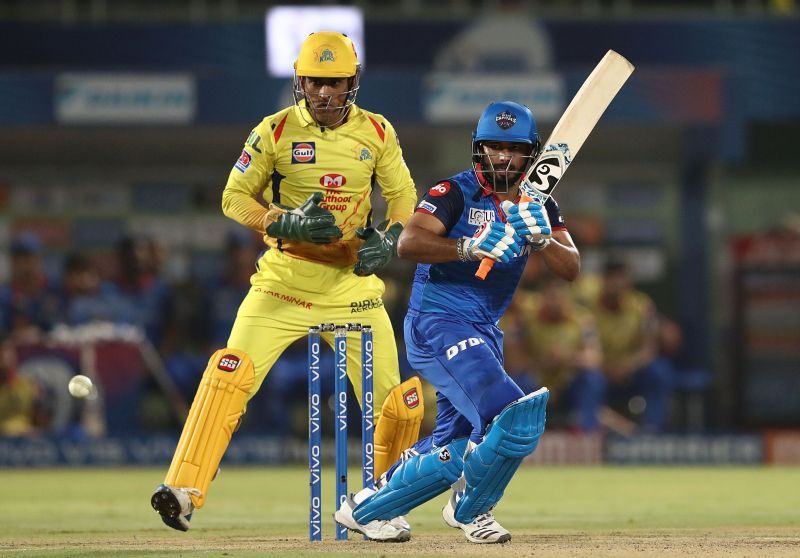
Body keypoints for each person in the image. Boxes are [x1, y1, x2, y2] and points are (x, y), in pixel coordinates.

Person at [151, 31, 424, 532]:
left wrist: (390, 238)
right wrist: (282, 222)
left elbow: (404, 195)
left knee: (397, 402)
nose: (324, 93)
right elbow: (234, 198)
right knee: (229, 375)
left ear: (352, 82)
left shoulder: (378, 133)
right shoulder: (273, 131)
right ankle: (183, 491)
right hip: (281, 285)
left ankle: (384, 507)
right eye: (315, 82)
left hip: (352, 288)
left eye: (335, 82)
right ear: (300, 81)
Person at [334, 101, 580, 543]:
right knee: (513, 413)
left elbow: (571, 268)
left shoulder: (540, 203)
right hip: (436, 321)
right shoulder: (454, 191)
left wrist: (542, 239)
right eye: (493, 148)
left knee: (456, 445)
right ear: (478, 150)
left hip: (483, 330)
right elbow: (409, 242)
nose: (502, 158)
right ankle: (472, 510)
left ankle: (366, 509)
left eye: (513, 149)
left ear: (531, 154)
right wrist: (470, 248)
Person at [503, 273, 605, 431]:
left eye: (560, 296)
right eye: (550, 296)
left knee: (592, 379)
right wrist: (543, 362)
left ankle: (587, 433)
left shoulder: (583, 320)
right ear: (542, 296)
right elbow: (514, 363)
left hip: (568, 383)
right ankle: (521, 434)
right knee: (517, 381)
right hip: (536, 383)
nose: (555, 302)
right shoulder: (524, 320)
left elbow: (594, 359)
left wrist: (566, 357)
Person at [590, 259, 672, 432]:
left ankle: (652, 431)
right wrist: (606, 367)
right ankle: (590, 433)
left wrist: (628, 366)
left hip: (631, 371)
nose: (617, 284)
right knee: (589, 380)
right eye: (612, 278)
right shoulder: (590, 308)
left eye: (622, 278)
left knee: (659, 371)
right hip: (601, 371)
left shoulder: (642, 305)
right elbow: (586, 349)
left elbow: (649, 349)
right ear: (603, 281)